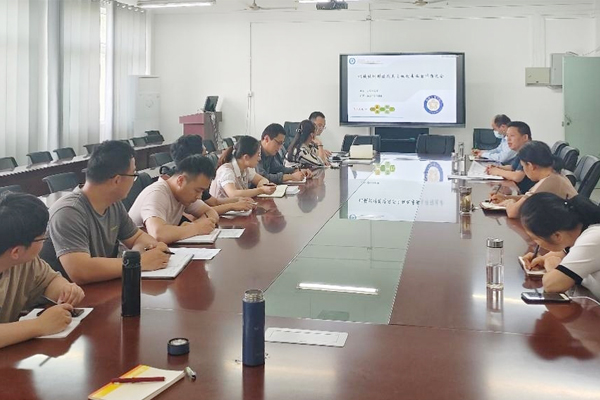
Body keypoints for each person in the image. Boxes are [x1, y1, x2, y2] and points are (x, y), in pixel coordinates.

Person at [40, 140, 170, 285]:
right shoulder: (69, 212)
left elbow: (138, 238)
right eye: (133, 174)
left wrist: (145, 252)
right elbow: (79, 271)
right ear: (117, 180)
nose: (134, 180)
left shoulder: (113, 203)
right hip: (67, 295)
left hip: (100, 287)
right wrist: (138, 261)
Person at [0, 192, 85, 348]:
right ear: (16, 251)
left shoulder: (24, 260)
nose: (44, 243)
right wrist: (39, 325)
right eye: (42, 238)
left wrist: (66, 290)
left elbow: (49, 280)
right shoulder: (19, 256)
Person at [520, 192, 600, 298]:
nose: (535, 243)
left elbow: (552, 285)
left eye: (536, 238)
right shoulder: (577, 230)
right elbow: (561, 254)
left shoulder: (593, 237)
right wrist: (543, 259)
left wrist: (552, 268)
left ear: (557, 236)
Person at [129, 155, 219, 244]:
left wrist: (194, 225)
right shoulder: (157, 193)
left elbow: (211, 213)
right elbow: (158, 234)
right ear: (180, 181)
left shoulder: (183, 194)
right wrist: (196, 228)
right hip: (136, 251)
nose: (199, 196)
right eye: (197, 190)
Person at [168, 135, 254, 215]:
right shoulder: (184, 182)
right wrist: (233, 206)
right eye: (205, 155)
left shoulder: (196, 180)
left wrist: (237, 200)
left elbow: (213, 202)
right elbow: (202, 213)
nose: (207, 160)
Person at [490, 141, 577, 218]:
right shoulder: (553, 174)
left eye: (523, 166)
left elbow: (512, 212)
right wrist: (505, 197)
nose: (524, 170)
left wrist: (509, 202)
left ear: (531, 166)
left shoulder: (549, 182)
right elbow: (529, 198)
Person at [209, 135, 276, 198]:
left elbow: (262, 179)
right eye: (258, 155)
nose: (259, 158)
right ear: (246, 157)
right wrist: (261, 190)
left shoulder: (246, 169)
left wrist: (263, 185)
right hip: (221, 207)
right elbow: (233, 194)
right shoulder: (226, 171)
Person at [485, 121, 534, 193]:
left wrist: (497, 171)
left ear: (525, 137)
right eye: (507, 136)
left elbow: (517, 177)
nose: (508, 139)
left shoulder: (531, 151)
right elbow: (512, 167)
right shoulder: (522, 150)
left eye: (512, 136)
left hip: (529, 194)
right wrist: (497, 167)